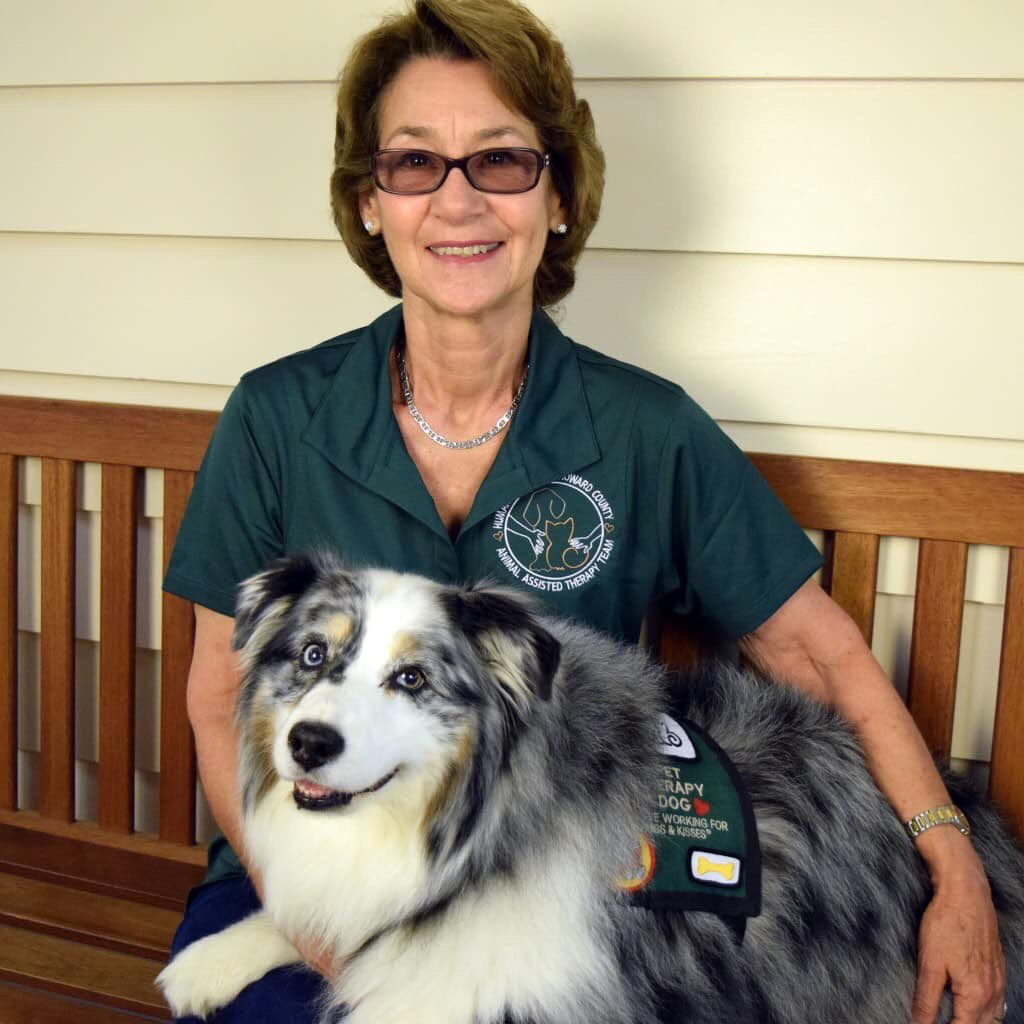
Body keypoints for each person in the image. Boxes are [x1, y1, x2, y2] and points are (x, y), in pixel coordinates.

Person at [163, 1, 1007, 1021]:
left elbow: (819, 656)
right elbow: (217, 702)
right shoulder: (277, 413)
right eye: (415, 163)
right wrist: (309, 921)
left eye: (503, 161)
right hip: (301, 871)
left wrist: (951, 860)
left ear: (557, 197)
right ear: (370, 203)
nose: (458, 200)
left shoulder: (646, 426)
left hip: (541, 886)